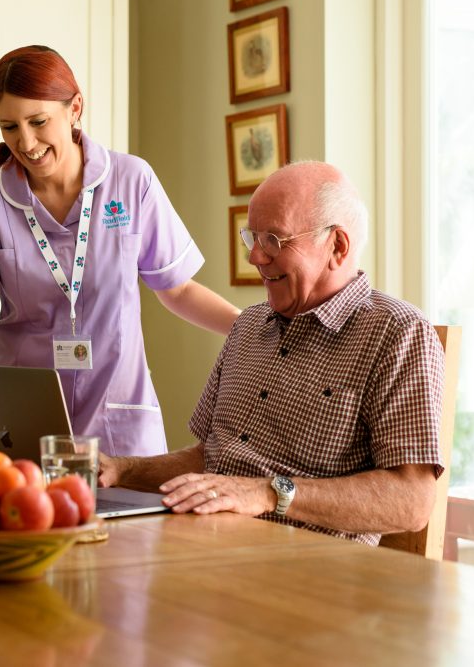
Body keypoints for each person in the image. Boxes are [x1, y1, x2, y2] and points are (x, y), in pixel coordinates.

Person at [99, 162, 445, 545]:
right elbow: (209, 459)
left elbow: (412, 502)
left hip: (306, 575)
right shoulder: (248, 326)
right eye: (253, 238)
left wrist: (268, 493)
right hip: (205, 549)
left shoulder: (396, 332)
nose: (255, 258)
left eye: (274, 241)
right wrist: (120, 470)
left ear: (338, 246)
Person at [0, 45, 239, 458]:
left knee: (140, 525)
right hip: (23, 422)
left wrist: (253, 329)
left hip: (120, 420)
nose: (26, 142)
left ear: (75, 108)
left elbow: (177, 289)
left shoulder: (131, 180)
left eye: (38, 121)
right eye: (10, 127)